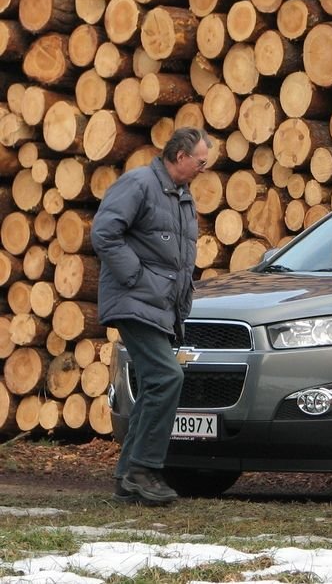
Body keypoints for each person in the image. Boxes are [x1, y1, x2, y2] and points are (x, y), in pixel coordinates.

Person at [92, 127, 212, 505]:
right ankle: (144, 469)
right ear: (180, 156)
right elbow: (104, 232)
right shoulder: (139, 184)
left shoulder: (181, 196)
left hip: (157, 307)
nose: (203, 169)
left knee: (154, 383)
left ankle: (130, 478)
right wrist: (137, 279)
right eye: (200, 161)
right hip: (135, 302)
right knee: (166, 376)